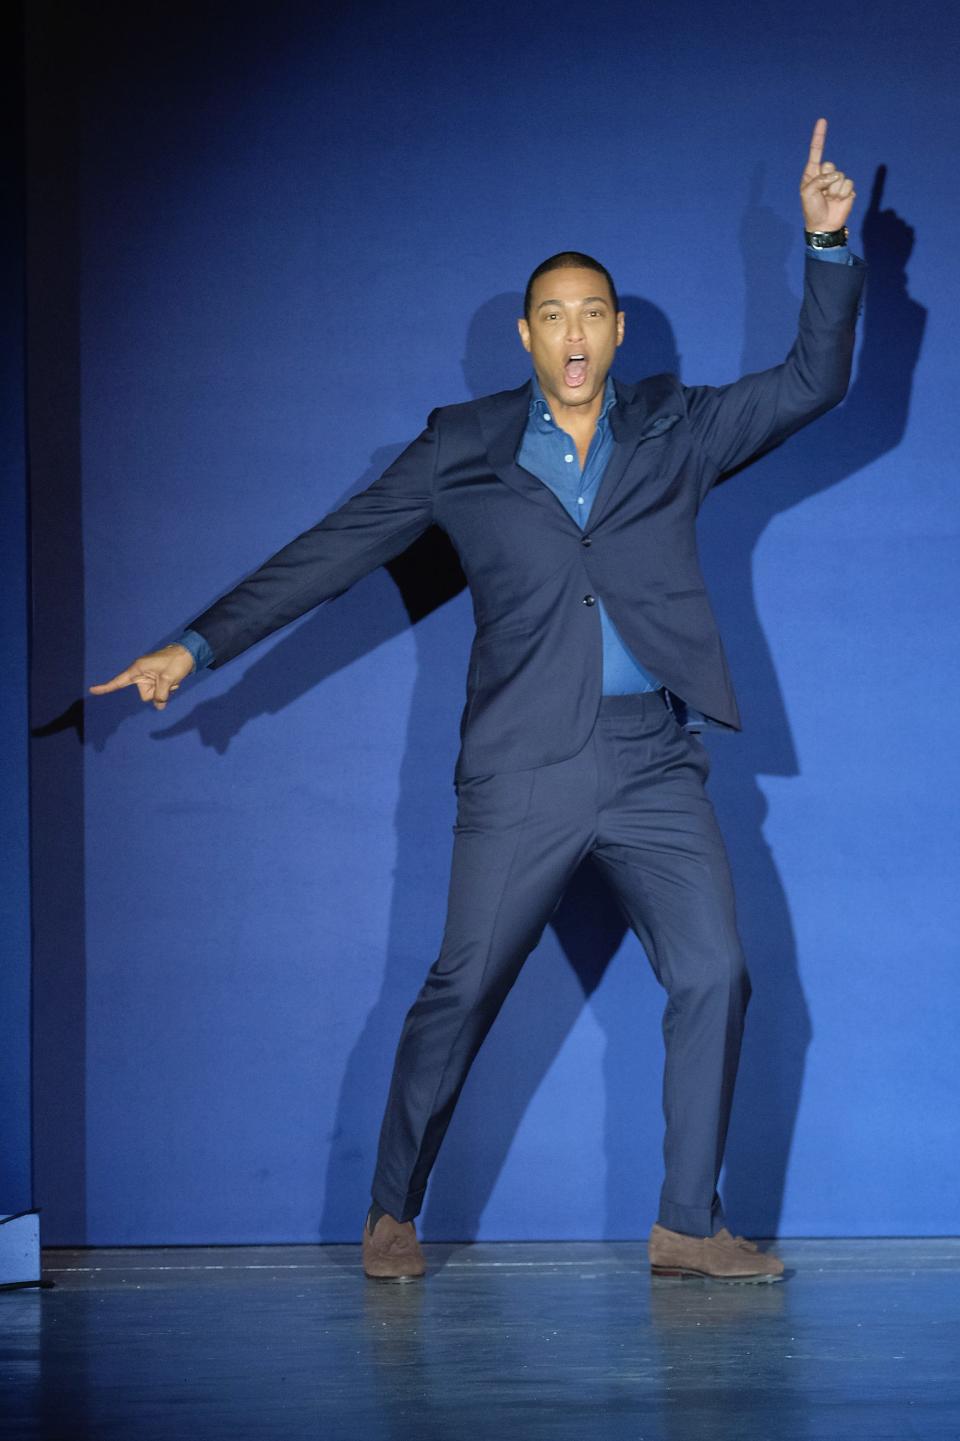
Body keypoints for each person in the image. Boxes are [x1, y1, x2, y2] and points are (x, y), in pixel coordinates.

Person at [91, 118, 864, 1284]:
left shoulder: (678, 424)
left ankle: (686, 1224)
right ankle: (392, 1209)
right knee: (461, 988)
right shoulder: (462, 447)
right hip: (524, 770)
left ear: (615, 331)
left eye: (592, 312)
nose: (573, 332)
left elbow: (814, 380)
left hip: (653, 756)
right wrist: (196, 645)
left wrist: (826, 244)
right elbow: (332, 550)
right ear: (526, 333)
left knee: (717, 972)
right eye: (551, 313)